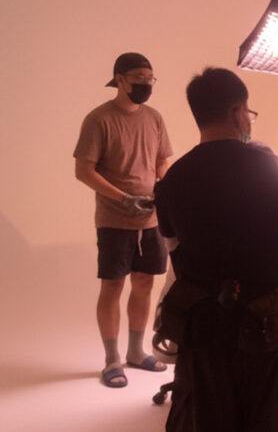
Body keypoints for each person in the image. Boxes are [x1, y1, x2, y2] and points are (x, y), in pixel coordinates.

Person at [154, 67, 278, 431]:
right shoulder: (273, 168)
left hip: (203, 326)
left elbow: (176, 252)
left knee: (206, 419)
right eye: (248, 113)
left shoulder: (173, 179)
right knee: (271, 418)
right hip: (268, 322)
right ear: (238, 112)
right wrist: (268, 260)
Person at [73, 52, 172, 388]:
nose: (145, 84)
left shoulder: (154, 118)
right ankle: (112, 359)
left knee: (144, 283)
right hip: (114, 220)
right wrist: (124, 199)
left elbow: (162, 161)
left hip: (151, 220)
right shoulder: (99, 119)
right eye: (139, 78)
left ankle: (136, 352)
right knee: (113, 286)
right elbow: (83, 170)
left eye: (150, 79)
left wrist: (161, 189)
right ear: (119, 80)